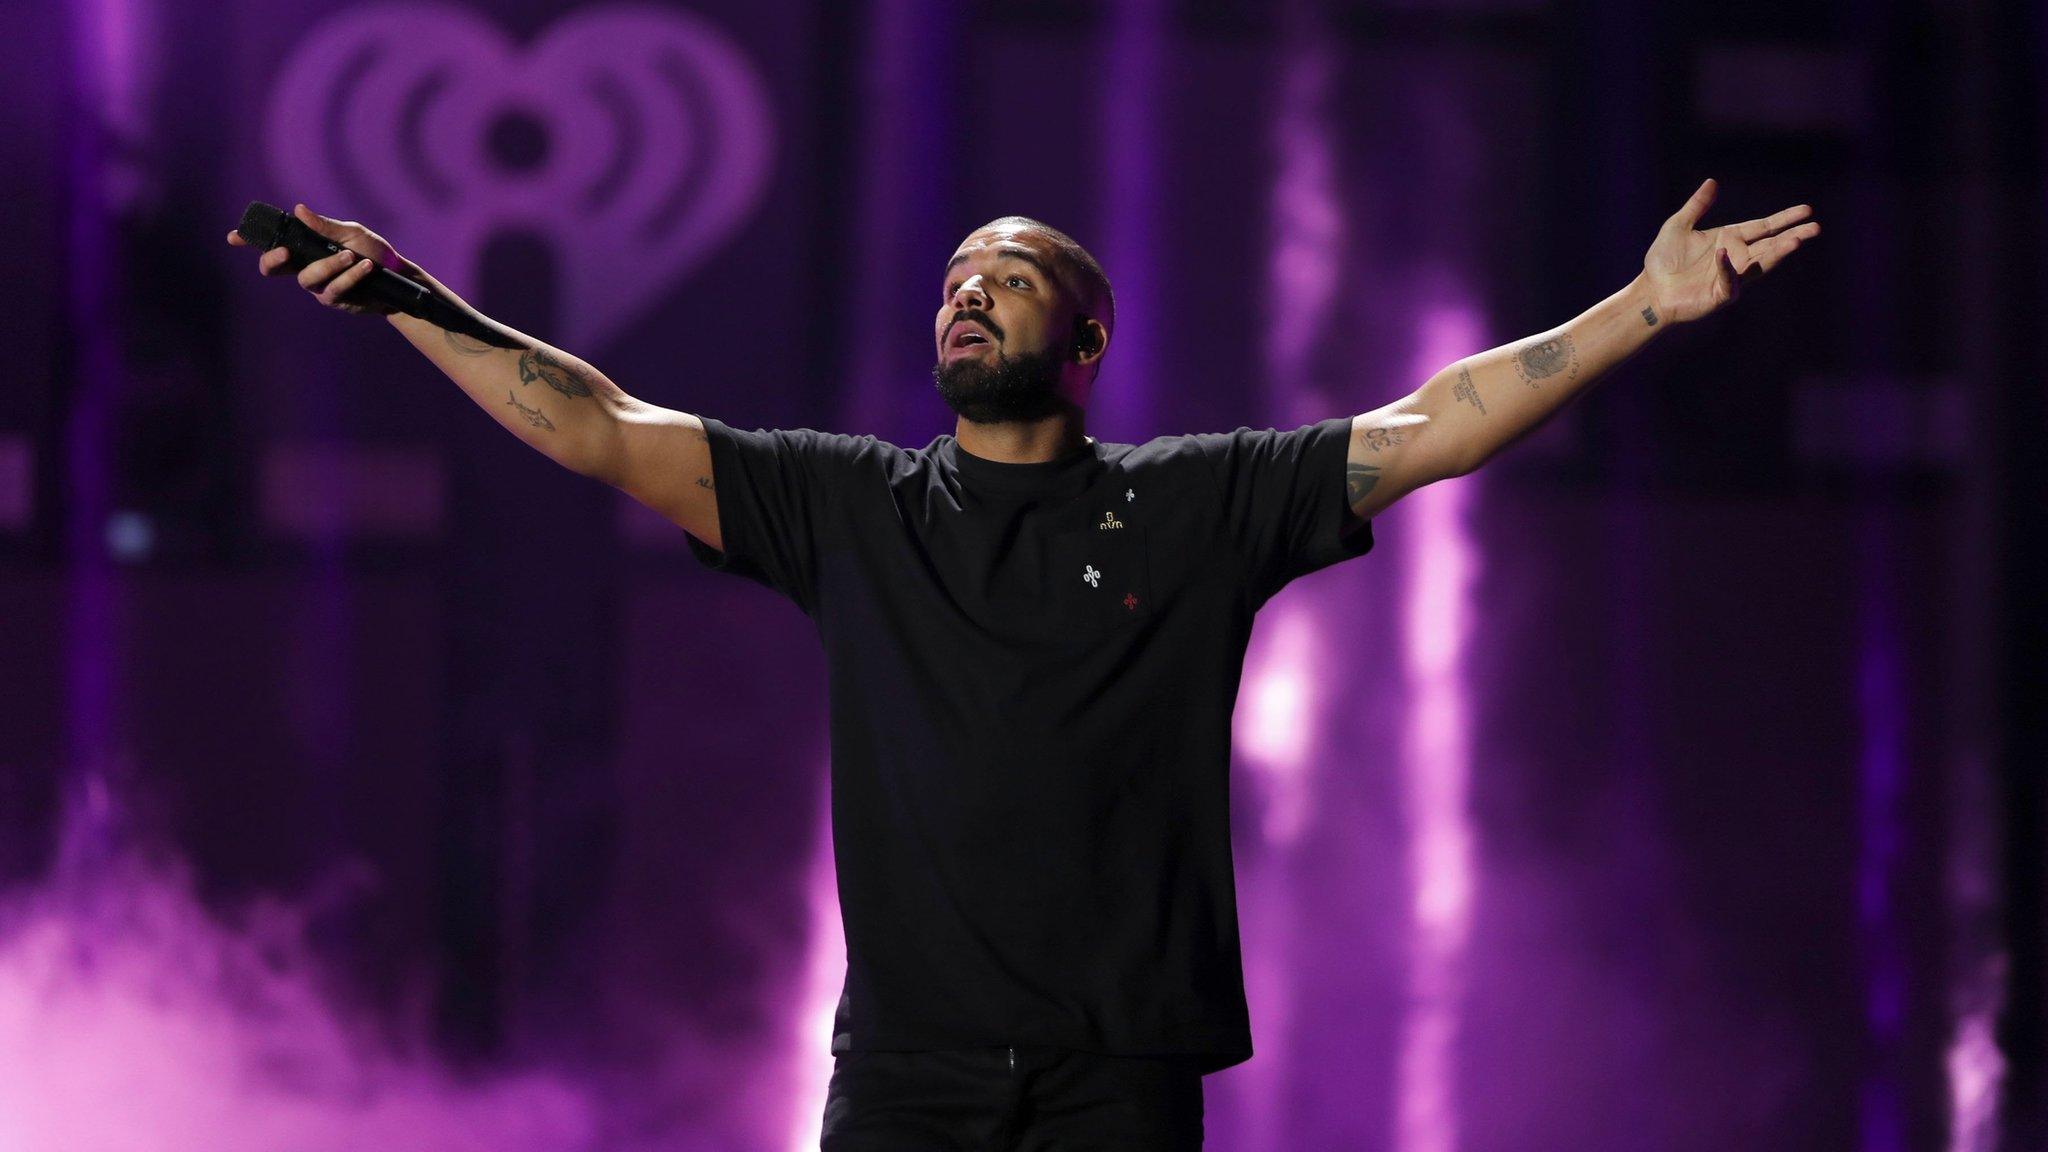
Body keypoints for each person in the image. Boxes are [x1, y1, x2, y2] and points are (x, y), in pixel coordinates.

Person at [228, 179, 1817, 1149]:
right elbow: (600, 423)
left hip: (1116, 1086)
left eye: (1011, 273)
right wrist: (407, 296)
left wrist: (1640, 310)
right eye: (952, 281)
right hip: (906, 1085)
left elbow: (1436, 421)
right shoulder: (850, 507)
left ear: (1091, 334)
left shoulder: (1197, 502)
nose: (968, 292)